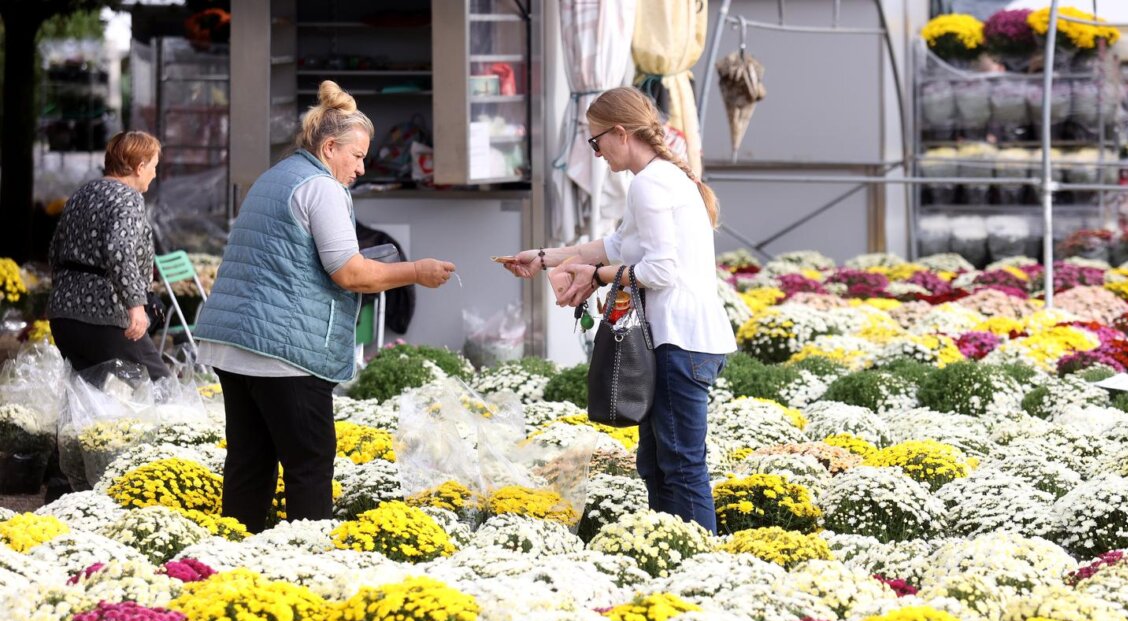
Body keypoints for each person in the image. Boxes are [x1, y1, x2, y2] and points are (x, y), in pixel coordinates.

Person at [196, 81, 456, 533]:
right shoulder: (322, 187)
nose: (360, 168)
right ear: (329, 146)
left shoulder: (275, 176)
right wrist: (416, 271)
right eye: (356, 156)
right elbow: (349, 273)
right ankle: (309, 566)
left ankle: (235, 561)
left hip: (234, 345)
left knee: (249, 465)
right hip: (284, 352)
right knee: (309, 464)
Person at [503, 87, 736, 533]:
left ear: (621, 132)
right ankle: (674, 553)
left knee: (680, 467)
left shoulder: (650, 184)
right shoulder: (660, 177)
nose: (596, 152)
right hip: (686, 340)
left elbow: (660, 270)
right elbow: (614, 245)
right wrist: (545, 256)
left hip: (679, 343)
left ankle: (700, 565)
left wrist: (600, 276)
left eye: (596, 141)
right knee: (659, 464)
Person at [47, 130, 168, 380]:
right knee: (160, 386)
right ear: (139, 166)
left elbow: (55, 250)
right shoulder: (129, 198)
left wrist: (63, 293)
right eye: (154, 167)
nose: (155, 174)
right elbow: (119, 251)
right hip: (107, 316)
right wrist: (136, 306)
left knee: (86, 398)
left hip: (64, 316)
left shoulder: (82, 193)